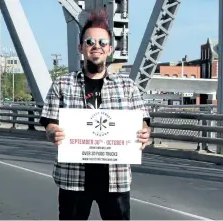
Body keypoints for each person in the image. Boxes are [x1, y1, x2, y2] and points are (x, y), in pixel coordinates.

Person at [39, 8, 151, 220]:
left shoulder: (127, 86)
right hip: (73, 178)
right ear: (80, 47)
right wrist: (53, 133)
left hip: (115, 179)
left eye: (102, 43)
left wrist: (144, 134)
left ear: (110, 49)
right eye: (90, 42)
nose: (96, 47)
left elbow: (143, 122)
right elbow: (49, 122)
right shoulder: (63, 84)